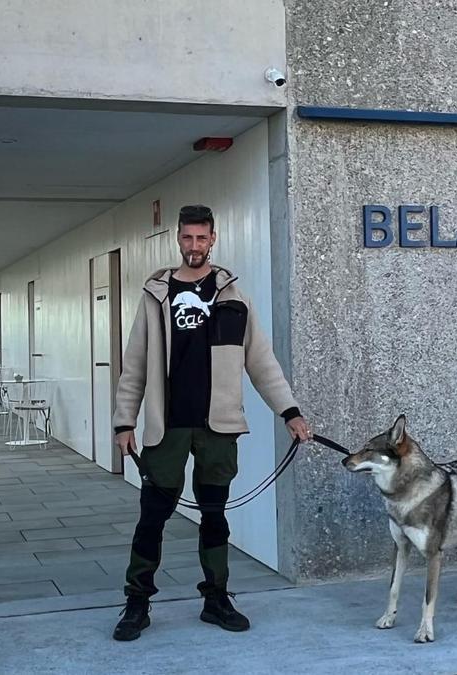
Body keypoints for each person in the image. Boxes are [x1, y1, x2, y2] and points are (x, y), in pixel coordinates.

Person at [111, 204, 312, 641]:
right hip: (168, 427)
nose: (194, 246)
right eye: (187, 238)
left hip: (218, 427)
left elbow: (261, 361)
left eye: (202, 238)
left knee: (215, 515)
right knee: (153, 516)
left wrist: (290, 412)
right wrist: (123, 422)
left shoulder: (232, 295)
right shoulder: (155, 294)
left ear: (213, 239)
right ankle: (137, 602)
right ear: (178, 239)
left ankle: (216, 599)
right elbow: (135, 365)